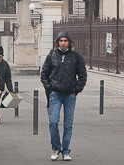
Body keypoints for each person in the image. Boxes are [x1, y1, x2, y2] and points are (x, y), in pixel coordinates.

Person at [40, 32, 87, 161]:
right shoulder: (52, 56)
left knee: (68, 124)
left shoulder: (76, 57)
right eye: (61, 41)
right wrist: (49, 89)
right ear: (57, 42)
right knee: (53, 121)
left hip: (69, 95)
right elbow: (44, 74)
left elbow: (82, 75)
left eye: (65, 41)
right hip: (55, 94)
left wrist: (76, 90)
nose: (63, 43)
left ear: (70, 43)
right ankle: (56, 148)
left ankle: (66, 151)